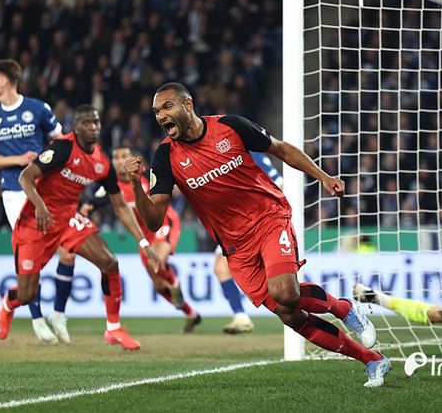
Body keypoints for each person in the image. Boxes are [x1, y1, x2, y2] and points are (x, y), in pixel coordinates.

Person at [124, 82, 391, 387]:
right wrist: (135, 184)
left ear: (188, 105)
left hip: (268, 219)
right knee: (290, 315)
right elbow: (154, 220)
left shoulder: (230, 127)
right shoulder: (165, 156)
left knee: (285, 292)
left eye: (167, 106)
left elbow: (281, 149)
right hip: (236, 247)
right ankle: (373, 360)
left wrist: (323, 177)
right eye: (156, 111)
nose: (160, 115)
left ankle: (343, 308)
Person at [0, 104, 159, 350]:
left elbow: (121, 206)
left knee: (110, 263)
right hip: (37, 221)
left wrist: (144, 243)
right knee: (27, 294)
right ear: (76, 127)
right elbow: (25, 176)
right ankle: (9, 302)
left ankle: (113, 329)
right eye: (86, 123)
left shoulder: (102, 162)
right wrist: (39, 205)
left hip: (68, 219)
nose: (92, 127)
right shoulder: (62, 148)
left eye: (96, 122)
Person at [0, 59, 75, 344]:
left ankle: (58, 314)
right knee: (32, 258)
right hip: (14, 192)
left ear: (4, 80)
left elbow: (63, 144)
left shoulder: (38, 108)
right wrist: (19, 159)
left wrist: (46, 162)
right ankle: (36, 318)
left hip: (46, 190)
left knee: (68, 253)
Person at [80, 145, 201, 333]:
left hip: (163, 222)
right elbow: (89, 205)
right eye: (116, 157)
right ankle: (191, 314)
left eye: (124, 156)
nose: (120, 161)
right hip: (143, 237)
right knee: (159, 285)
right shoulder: (111, 188)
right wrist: (85, 211)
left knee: (158, 261)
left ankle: (174, 283)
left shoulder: (141, 174)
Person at [215, 151, 283, 334]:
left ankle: (309, 307)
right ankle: (241, 317)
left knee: (279, 278)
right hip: (235, 226)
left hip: (262, 222)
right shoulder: (217, 159)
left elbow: (280, 183)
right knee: (221, 267)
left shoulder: (253, 156)